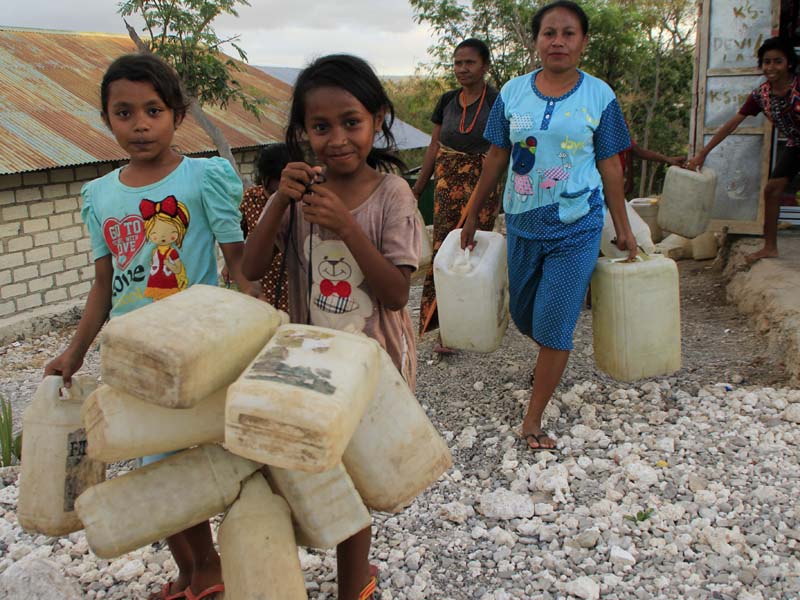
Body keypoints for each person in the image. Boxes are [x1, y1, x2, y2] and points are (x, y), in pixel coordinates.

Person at [43, 53, 257, 600]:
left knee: (184, 467)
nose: (139, 124)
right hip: (132, 359)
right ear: (106, 119)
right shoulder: (101, 195)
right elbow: (103, 287)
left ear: (177, 115)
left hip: (195, 354)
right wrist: (74, 353)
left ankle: (210, 570)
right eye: (123, 112)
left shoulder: (203, 178)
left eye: (153, 110)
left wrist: (264, 331)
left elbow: (240, 268)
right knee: (151, 464)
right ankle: (189, 572)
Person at [242, 54, 421, 600]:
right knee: (319, 468)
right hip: (311, 362)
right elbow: (250, 268)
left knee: (359, 474)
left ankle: (353, 584)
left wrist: (346, 227)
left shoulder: (392, 196)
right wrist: (279, 200)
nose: (337, 138)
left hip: (374, 365)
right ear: (303, 133)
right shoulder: (298, 195)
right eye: (321, 127)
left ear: (378, 119)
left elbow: (394, 293)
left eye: (351, 122)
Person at [460, 0, 637, 451]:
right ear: (536, 40)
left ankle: (533, 419)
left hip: (577, 221)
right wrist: (473, 211)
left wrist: (623, 226)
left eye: (569, 33)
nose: (558, 41)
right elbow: (497, 154)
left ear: (583, 42)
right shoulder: (513, 94)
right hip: (520, 219)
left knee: (556, 322)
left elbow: (610, 164)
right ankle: (548, 355)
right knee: (525, 315)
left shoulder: (600, 96)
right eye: (549, 33)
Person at [412, 38, 502, 352]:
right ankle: (445, 328)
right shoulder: (447, 100)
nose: (462, 69)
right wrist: (418, 188)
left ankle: (476, 320)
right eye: (458, 63)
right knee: (443, 250)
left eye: (469, 63)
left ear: (485, 66)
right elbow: (434, 147)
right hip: (447, 185)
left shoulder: (497, 101)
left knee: (473, 251)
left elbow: (504, 149)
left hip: (483, 184)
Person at [687, 37, 800, 264]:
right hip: (796, 144)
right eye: (766, 62)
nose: (771, 67)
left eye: (778, 61)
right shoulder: (762, 95)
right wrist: (703, 152)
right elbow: (732, 123)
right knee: (771, 190)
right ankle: (770, 247)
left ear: (788, 63)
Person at [239, 143, 292, 310]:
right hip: (261, 280)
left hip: (290, 283)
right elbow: (242, 231)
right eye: (272, 193)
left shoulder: (300, 201)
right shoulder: (250, 198)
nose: (275, 200)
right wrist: (230, 265)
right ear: (262, 178)